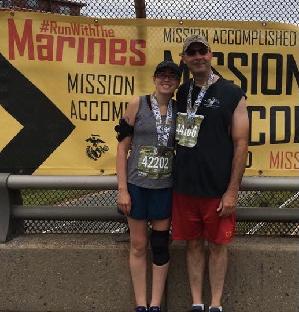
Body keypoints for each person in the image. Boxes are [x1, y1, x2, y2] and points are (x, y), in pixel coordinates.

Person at [172, 35, 249, 312]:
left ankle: (215, 304)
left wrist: (231, 191)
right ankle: (197, 302)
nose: (197, 56)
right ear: (184, 59)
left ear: (211, 54)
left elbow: (241, 143)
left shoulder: (232, 93)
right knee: (192, 245)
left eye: (201, 51)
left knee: (217, 246)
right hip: (185, 186)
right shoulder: (182, 92)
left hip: (217, 189)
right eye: (190, 52)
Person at [115, 60, 181, 312]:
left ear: (177, 83)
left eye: (172, 77)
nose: (166, 80)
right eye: (162, 75)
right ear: (154, 78)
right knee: (139, 244)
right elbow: (122, 149)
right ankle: (140, 304)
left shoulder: (179, 110)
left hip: (164, 187)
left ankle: (156, 305)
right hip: (137, 185)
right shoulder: (137, 104)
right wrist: (122, 189)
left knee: (161, 244)